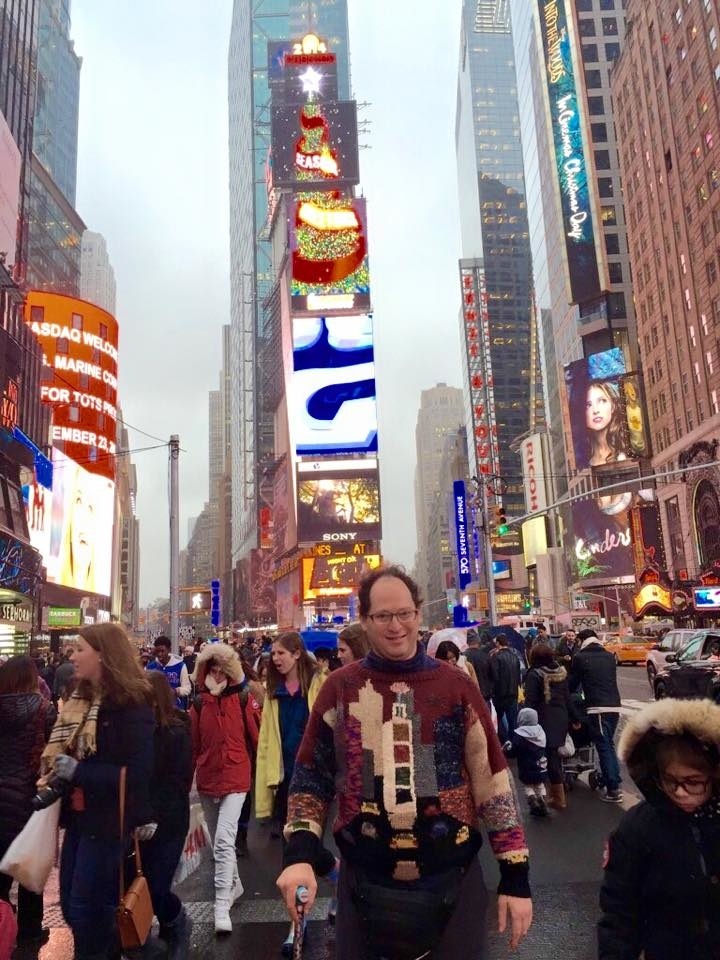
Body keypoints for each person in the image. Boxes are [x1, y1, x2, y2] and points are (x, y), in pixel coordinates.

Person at [276, 566, 532, 960]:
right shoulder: (339, 688)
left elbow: (492, 782)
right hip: (363, 886)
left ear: (417, 614)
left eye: (404, 613)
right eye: (382, 616)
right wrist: (299, 857)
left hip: (454, 884)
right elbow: (310, 778)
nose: (396, 626)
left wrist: (515, 877)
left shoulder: (456, 686)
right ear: (365, 621)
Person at [41, 624, 155, 960]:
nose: (72, 656)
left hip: (106, 825)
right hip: (77, 821)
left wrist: (80, 771)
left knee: (86, 910)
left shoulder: (132, 704)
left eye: (79, 649)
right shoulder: (79, 700)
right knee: (72, 906)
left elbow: (138, 773)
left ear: (103, 655)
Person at [598, 698, 720, 959]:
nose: (679, 792)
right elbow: (619, 911)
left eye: (693, 782)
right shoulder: (638, 827)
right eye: (669, 780)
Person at [255, 632, 335, 953]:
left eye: (281, 653)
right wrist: (264, 787)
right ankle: (336, 873)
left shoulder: (319, 685)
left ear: (298, 654)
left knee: (296, 855)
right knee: (300, 849)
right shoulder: (272, 693)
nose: (276, 658)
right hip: (286, 777)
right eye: (273, 653)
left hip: (315, 778)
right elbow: (265, 741)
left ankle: (297, 924)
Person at [189, 643, 261, 935]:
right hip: (208, 777)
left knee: (223, 840)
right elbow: (193, 747)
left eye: (222, 669)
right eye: (212, 669)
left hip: (236, 775)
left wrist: (267, 777)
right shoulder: (197, 704)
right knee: (222, 842)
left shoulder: (243, 698)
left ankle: (221, 905)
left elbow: (259, 739)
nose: (217, 675)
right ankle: (234, 885)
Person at [0, 656, 57, 947]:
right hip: (28, 799)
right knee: (29, 868)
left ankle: (1, 926)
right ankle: (29, 931)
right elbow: (53, 755)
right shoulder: (43, 711)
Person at [142, 671, 193, 960]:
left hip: (169, 820)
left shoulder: (175, 730)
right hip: (140, 821)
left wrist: (153, 814)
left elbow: (178, 780)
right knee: (142, 884)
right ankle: (162, 929)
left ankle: (177, 922)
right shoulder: (138, 728)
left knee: (157, 886)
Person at [569, 628, 623, 803]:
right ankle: (614, 782)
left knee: (603, 746)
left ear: (581, 640)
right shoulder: (609, 656)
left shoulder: (580, 657)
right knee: (609, 744)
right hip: (614, 706)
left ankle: (613, 788)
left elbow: (572, 684)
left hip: (596, 708)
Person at [524, 644, 572, 811]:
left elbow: (530, 701)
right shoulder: (561, 671)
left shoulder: (534, 674)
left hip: (543, 719)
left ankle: (558, 798)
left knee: (548, 758)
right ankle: (556, 793)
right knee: (553, 756)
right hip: (561, 717)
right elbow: (568, 697)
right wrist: (574, 718)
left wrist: (526, 723)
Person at [503, 708, 548, 818]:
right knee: (540, 784)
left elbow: (514, 750)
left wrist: (507, 750)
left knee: (528, 786)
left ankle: (532, 800)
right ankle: (542, 799)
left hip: (526, 766)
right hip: (540, 765)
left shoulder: (519, 734)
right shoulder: (540, 732)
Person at [585, 381, 627, 467]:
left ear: (613, 406)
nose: (595, 410)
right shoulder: (584, 462)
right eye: (588, 405)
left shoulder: (627, 450)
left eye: (602, 401)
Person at [490, 632, 522, 741]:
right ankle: (515, 744)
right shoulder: (515, 656)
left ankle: (504, 741)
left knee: (498, 719)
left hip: (500, 694)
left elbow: (495, 677)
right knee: (513, 720)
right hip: (513, 693)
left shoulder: (496, 657)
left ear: (498, 643)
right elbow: (518, 676)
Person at [146, 636, 191, 710]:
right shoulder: (150, 667)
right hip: (156, 709)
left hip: (175, 709)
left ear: (169, 650)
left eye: (162, 651)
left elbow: (187, 688)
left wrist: (176, 691)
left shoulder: (180, 665)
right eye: (157, 651)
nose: (160, 654)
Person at [464, 630, 494, 703]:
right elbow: (492, 675)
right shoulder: (485, 656)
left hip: (469, 695)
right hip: (485, 694)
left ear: (467, 643)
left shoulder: (463, 657)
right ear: (478, 642)